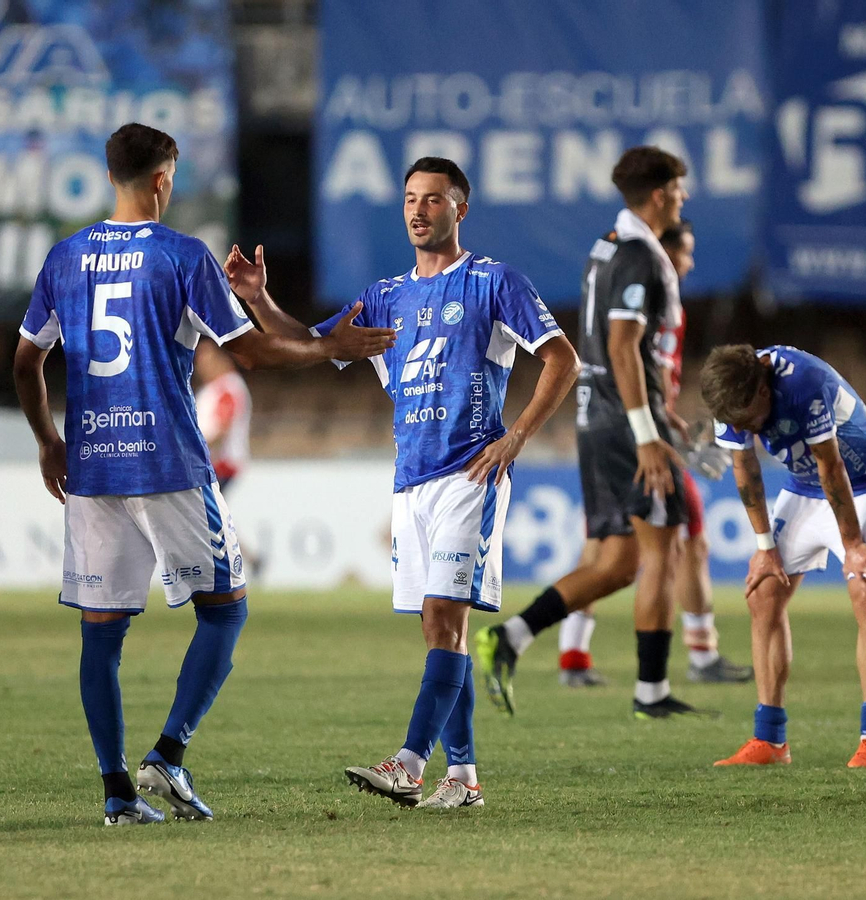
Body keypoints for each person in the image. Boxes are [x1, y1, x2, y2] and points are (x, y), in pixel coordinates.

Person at [13, 123, 393, 826]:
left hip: (93, 466)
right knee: (227, 608)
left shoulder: (64, 258)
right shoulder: (182, 255)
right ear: (163, 179)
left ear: (110, 176)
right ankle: (169, 753)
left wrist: (46, 440)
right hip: (166, 462)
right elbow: (250, 353)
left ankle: (117, 794)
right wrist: (325, 347)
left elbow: (26, 360)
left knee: (102, 635)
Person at [226, 157, 578, 809]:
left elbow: (563, 357)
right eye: (411, 199)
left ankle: (410, 764)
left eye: (434, 199)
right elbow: (309, 343)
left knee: (446, 618)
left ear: (459, 210)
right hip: (411, 480)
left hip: (471, 472)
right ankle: (464, 778)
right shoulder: (385, 295)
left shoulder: (493, 282)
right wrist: (258, 299)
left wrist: (519, 434)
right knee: (440, 631)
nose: (420, 210)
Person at [475, 146, 709, 720]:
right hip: (625, 425)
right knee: (663, 551)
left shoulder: (606, 248)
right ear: (659, 196)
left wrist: (659, 411)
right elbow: (623, 344)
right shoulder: (641, 256)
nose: (682, 199)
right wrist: (647, 432)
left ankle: (511, 638)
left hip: (601, 416)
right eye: (678, 190)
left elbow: (623, 350)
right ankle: (651, 691)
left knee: (618, 563)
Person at [553, 221, 752, 687]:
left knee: (603, 549)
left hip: (610, 429)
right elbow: (636, 366)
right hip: (636, 440)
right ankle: (697, 657)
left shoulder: (625, 287)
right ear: (663, 252)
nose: (689, 263)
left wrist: (669, 420)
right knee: (685, 541)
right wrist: (655, 430)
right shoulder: (650, 295)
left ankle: (572, 653)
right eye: (685, 253)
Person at [700, 344, 866, 768]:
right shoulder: (730, 393)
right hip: (805, 486)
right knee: (763, 594)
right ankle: (770, 741)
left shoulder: (803, 382)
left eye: (749, 419)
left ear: (762, 389)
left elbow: (832, 467)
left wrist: (853, 546)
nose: (747, 428)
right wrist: (764, 549)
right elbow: (745, 468)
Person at [194, 340, 251, 492]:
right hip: (210, 464)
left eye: (205, 362)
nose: (201, 368)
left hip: (219, 465)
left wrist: (193, 452)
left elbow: (222, 427)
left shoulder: (227, 386)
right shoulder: (214, 387)